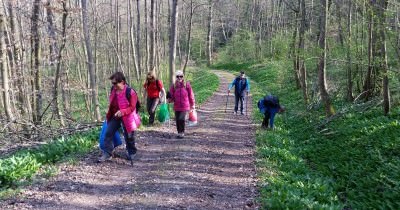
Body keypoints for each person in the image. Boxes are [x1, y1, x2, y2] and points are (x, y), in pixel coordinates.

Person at [98, 72, 141, 162]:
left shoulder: (131, 92)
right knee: (108, 133)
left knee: (129, 136)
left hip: (128, 117)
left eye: (115, 83)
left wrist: (122, 112)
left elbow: (132, 107)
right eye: (112, 83)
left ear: (122, 82)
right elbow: (112, 103)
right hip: (115, 115)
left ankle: (132, 152)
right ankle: (108, 153)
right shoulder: (113, 90)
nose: (113, 85)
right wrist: (110, 113)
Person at [167, 70, 195, 139]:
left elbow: (191, 95)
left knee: (181, 119)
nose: (179, 78)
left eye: (181, 76)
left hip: (185, 106)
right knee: (177, 120)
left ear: (183, 77)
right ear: (176, 77)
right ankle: (179, 132)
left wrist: (193, 104)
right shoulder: (174, 86)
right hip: (177, 106)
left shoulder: (187, 85)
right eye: (178, 76)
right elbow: (172, 96)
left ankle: (182, 132)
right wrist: (169, 98)